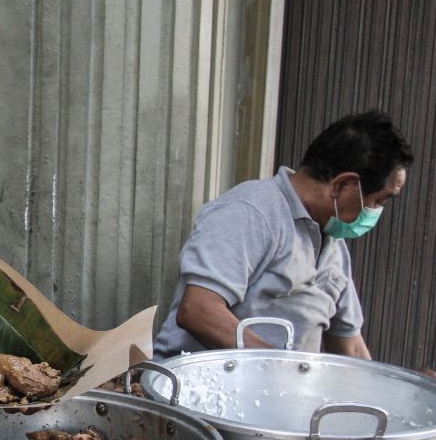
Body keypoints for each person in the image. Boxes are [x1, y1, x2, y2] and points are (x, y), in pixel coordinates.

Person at [153, 111, 412, 358]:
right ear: (343, 184)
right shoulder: (251, 212)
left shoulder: (333, 245)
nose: (376, 212)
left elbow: (351, 347)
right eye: (379, 201)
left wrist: (381, 394)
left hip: (278, 396)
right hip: (201, 391)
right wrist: (281, 370)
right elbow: (198, 310)